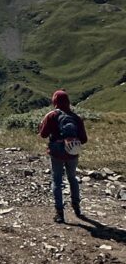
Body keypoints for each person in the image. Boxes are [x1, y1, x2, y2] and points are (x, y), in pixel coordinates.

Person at [39, 89, 87, 223]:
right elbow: (84, 139)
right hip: (72, 153)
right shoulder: (76, 117)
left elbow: (43, 134)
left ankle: (59, 213)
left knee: (57, 181)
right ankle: (77, 207)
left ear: (55, 101)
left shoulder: (51, 116)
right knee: (73, 178)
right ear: (68, 101)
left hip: (56, 153)